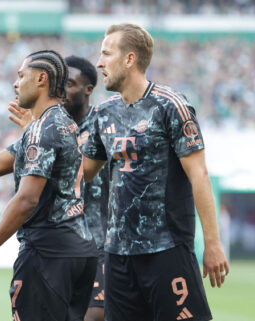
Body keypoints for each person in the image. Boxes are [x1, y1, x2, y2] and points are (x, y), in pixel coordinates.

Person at [81, 23, 229, 321]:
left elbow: (199, 175)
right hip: (118, 255)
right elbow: (83, 173)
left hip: (167, 249)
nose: (99, 63)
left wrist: (212, 244)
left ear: (130, 59)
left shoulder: (171, 106)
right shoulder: (103, 113)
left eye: (106, 54)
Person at [0, 49, 98, 320]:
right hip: (78, 250)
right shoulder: (61, 123)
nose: (15, 83)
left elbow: (27, 200)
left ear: (41, 79)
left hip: (48, 253)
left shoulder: (41, 129)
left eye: (22, 75)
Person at [9, 54, 109, 321]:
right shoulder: (46, 126)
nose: (62, 90)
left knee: (94, 316)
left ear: (88, 90)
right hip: (65, 245)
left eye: (70, 84)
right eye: (60, 83)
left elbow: (85, 171)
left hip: (99, 243)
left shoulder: (101, 122)